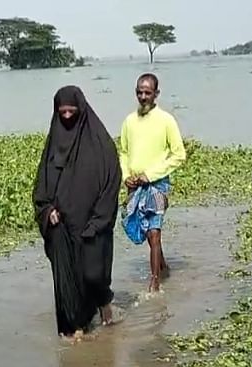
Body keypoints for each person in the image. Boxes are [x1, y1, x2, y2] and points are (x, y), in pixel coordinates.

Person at [33, 85, 122, 340]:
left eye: (72, 112)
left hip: (92, 224)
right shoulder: (52, 145)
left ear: (81, 110)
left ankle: (104, 304)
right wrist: (47, 209)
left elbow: (111, 181)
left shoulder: (100, 143)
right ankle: (73, 331)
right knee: (66, 280)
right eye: (63, 113)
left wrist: (98, 221)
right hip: (61, 226)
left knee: (93, 275)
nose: (68, 117)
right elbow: (42, 186)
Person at [118, 73, 186, 293]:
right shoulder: (129, 121)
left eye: (148, 92)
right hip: (135, 185)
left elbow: (178, 155)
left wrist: (150, 175)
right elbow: (124, 152)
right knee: (146, 231)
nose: (143, 96)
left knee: (154, 230)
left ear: (156, 94)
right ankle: (163, 266)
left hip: (157, 183)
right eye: (139, 92)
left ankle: (155, 282)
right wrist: (126, 175)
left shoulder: (166, 120)